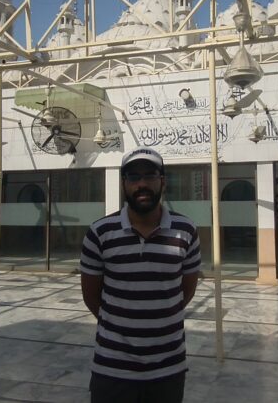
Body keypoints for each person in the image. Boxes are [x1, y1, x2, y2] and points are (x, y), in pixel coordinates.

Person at [80, 147, 201, 403]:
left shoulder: (186, 231)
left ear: (163, 181)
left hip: (168, 367)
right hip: (112, 367)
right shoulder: (100, 232)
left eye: (150, 175)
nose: (142, 184)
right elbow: (92, 297)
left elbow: (185, 292)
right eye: (134, 177)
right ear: (124, 184)